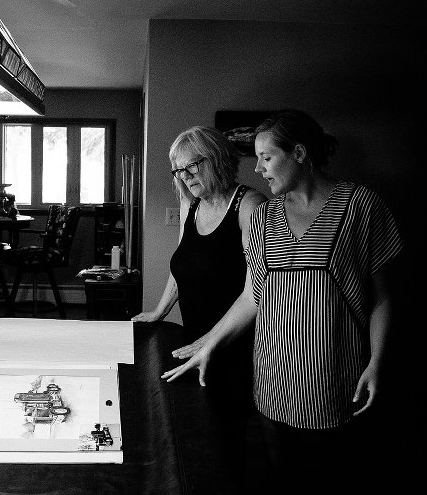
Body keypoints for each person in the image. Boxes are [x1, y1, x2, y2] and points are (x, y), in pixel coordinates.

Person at [162, 110, 403, 494]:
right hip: (272, 381)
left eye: (266, 157)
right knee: (278, 478)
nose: (257, 169)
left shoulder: (361, 206)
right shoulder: (265, 218)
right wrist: (208, 343)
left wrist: (377, 362)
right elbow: (251, 297)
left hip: (335, 380)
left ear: (301, 153)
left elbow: (383, 297)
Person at [132, 125, 266, 476]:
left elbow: (258, 288)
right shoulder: (190, 204)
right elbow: (183, 263)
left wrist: (211, 340)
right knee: (195, 428)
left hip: (238, 342)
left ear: (218, 159)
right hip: (194, 336)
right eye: (178, 169)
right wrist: (160, 310)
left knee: (228, 438)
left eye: (193, 165)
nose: (185, 176)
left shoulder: (250, 206)